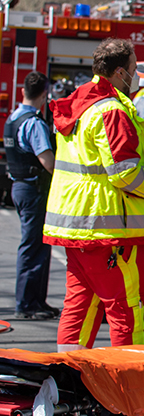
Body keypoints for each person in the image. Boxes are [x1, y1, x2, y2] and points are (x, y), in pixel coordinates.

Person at [44, 38, 144, 351]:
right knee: (127, 310)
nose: (136, 74)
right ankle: (131, 379)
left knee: (80, 307)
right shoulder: (111, 111)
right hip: (109, 232)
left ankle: (69, 376)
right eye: (134, 68)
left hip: (79, 229)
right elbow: (124, 173)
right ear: (120, 72)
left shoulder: (81, 104)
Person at [6, 71, 60, 320]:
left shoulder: (13, 118)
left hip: (19, 186)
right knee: (34, 247)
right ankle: (28, 304)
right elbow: (48, 162)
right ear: (44, 95)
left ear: (22, 91)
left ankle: (37, 301)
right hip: (34, 189)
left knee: (37, 245)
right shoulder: (34, 123)